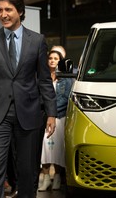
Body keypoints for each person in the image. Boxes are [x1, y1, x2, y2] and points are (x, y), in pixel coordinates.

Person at [0, 0, 57, 198]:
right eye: (0, 10)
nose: (3, 14)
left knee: (27, 171)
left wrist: (51, 113)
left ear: (20, 12)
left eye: (8, 9)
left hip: (29, 113)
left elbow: (44, 79)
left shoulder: (37, 41)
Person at [39, 46, 73, 191]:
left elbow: (65, 99)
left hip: (59, 118)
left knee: (58, 149)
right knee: (44, 150)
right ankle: (46, 178)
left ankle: (57, 178)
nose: (52, 61)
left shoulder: (65, 78)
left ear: (60, 61)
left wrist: (52, 112)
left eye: (56, 59)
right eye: (50, 58)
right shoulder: (41, 76)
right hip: (43, 118)